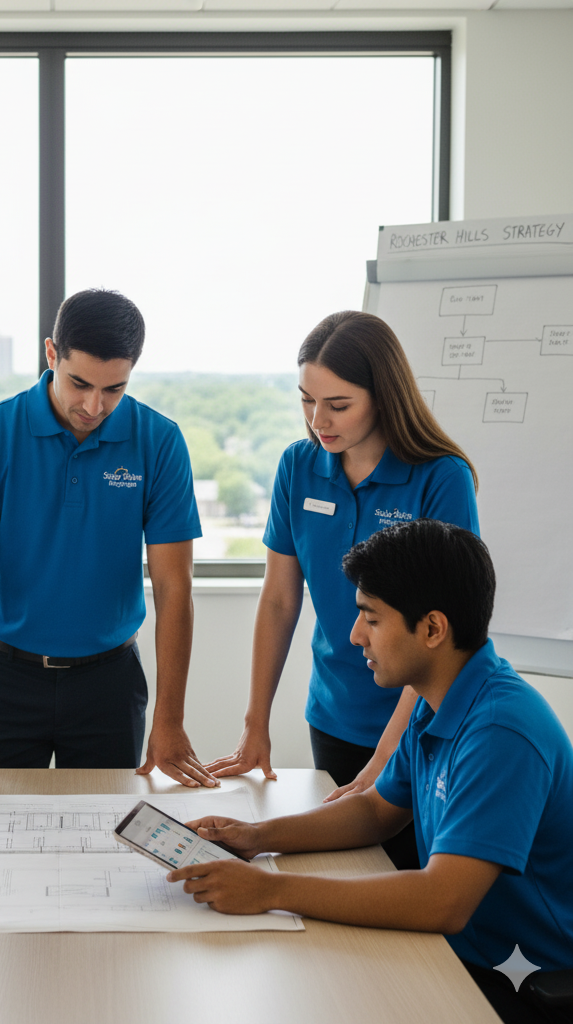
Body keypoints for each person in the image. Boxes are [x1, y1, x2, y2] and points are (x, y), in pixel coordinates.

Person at [168, 520, 573, 1024]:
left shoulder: (500, 732)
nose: (355, 635)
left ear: (431, 629)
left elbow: (443, 901)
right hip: (460, 954)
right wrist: (255, 837)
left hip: (525, 982)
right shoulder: (441, 696)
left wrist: (269, 890)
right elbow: (378, 810)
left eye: (372, 619)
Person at [205, 310, 478, 869]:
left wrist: (386, 756)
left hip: (420, 722)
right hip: (333, 714)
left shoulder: (439, 477)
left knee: (406, 887)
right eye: (306, 400)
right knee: (343, 878)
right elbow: (281, 600)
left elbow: (442, 632)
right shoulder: (298, 467)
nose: (317, 420)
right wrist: (255, 724)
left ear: (383, 395)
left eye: (338, 405)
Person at [0, 288, 215, 789]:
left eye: (114, 389)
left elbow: (174, 589)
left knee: (108, 839)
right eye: (79, 383)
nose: (95, 405)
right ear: (51, 353)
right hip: (3, 679)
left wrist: (171, 719)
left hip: (110, 685)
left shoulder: (159, 442)